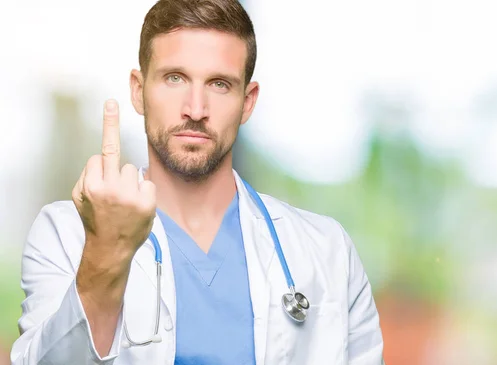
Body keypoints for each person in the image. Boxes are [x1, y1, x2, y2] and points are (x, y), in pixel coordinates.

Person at [10, 0, 384, 364]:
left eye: (219, 84)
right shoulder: (64, 234)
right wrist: (105, 254)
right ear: (138, 91)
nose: (196, 109)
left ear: (248, 101)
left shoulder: (327, 251)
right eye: (175, 78)